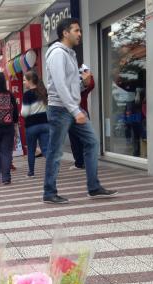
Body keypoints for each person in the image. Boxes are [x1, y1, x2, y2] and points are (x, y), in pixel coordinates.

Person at [43, 18, 118, 204]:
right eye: (76, 30)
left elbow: (68, 83)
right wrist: (75, 110)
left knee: (92, 143)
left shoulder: (71, 54)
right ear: (65, 33)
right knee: (55, 151)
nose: (80, 34)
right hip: (60, 109)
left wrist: (82, 84)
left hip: (72, 108)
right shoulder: (58, 54)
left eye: (80, 31)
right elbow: (59, 85)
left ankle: (94, 187)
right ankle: (49, 193)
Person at [21, 70, 49, 177]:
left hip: (31, 126)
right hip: (45, 124)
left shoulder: (27, 95)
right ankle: (52, 169)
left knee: (31, 150)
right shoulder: (43, 91)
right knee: (46, 149)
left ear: (30, 81)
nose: (23, 83)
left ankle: (31, 172)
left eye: (24, 80)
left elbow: (24, 112)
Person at [68, 63, 95, 170]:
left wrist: (88, 76)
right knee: (75, 140)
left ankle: (84, 161)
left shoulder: (83, 78)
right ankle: (79, 162)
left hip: (80, 112)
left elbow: (91, 85)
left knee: (84, 138)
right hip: (73, 113)